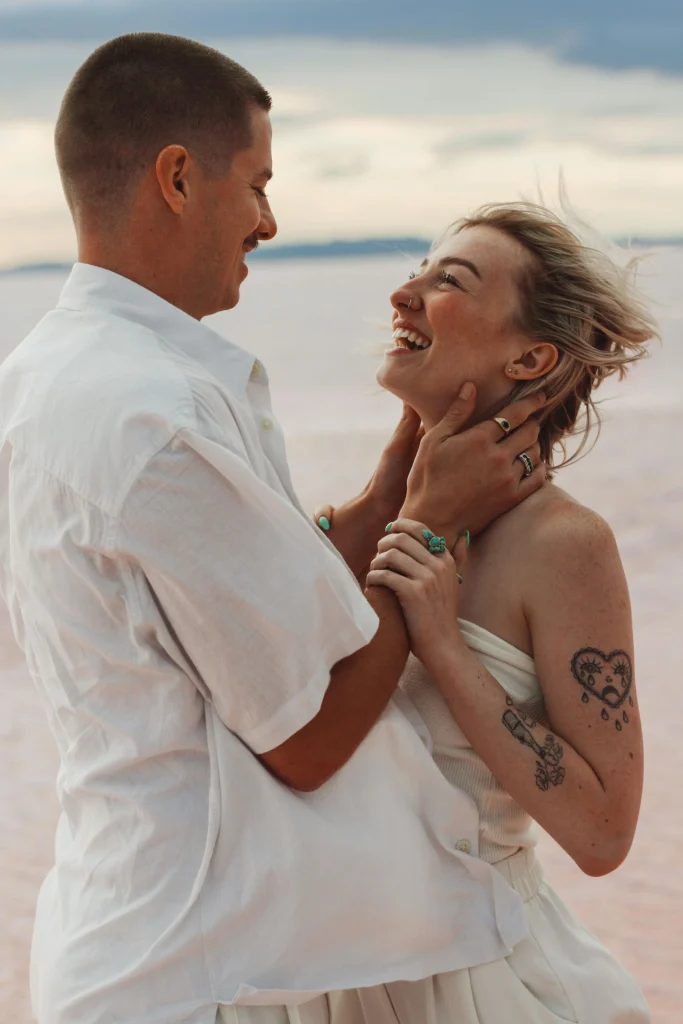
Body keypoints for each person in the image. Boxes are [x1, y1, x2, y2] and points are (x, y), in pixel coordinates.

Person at [0, 35, 547, 1024]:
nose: (268, 221)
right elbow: (309, 737)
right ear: (176, 178)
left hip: (125, 930)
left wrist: (390, 486)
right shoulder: (156, 416)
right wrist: (429, 525)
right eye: (255, 184)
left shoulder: (42, 374)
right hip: (188, 975)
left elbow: (234, 595)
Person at [327, 203, 655, 1023]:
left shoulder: (563, 544)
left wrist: (444, 645)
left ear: (531, 356)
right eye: (417, 270)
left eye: (449, 280)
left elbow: (603, 834)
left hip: (485, 983)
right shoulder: (371, 523)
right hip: (330, 976)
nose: (403, 293)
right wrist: (393, 494)